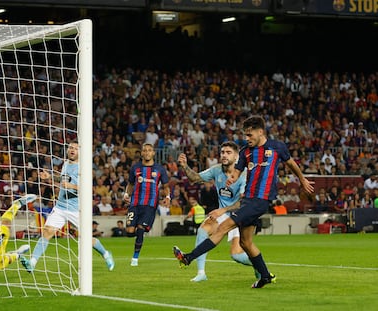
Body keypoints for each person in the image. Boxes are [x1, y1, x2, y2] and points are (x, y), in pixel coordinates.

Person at [174, 115, 314, 288]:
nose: (247, 139)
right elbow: (238, 172)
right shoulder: (245, 152)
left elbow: (291, 164)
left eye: (250, 135)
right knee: (245, 243)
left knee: (223, 227)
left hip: (260, 200)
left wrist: (302, 179)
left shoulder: (277, 147)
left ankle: (188, 258)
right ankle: (265, 276)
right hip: (248, 199)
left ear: (260, 132)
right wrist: (233, 178)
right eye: (245, 135)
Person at [20, 142, 115, 272]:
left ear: (80, 152)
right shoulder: (66, 163)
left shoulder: (83, 168)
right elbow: (64, 179)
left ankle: (105, 254)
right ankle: (32, 262)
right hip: (60, 207)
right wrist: (50, 177)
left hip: (76, 210)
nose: (72, 150)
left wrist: (72, 187)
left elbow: (87, 189)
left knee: (87, 239)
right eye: (71, 147)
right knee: (47, 232)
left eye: (76, 148)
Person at [178, 141, 258, 283]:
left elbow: (242, 202)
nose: (224, 155)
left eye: (228, 153)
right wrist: (185, 167)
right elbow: (195, 178)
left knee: (237, 255)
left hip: (241, 215)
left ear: (236, 157)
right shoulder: (216, 170)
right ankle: (201, 273)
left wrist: (223, 210)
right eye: (222, 152)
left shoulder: (244, 175)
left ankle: (259, 266)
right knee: (203, 230)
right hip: (223, 215)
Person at [123, 142, 170, 267]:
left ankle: (135, 258)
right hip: (135, 203)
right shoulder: (135, 168)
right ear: (142, 153)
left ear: (153, 153)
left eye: (150, 150)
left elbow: (165, 186)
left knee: (140, 229)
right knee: (129, 231)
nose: (147, 152)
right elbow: (131, 184)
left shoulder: (160, 169)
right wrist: (126, 194)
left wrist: (167, 196)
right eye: (145, 150)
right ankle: (138, 236)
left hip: (150, 204)